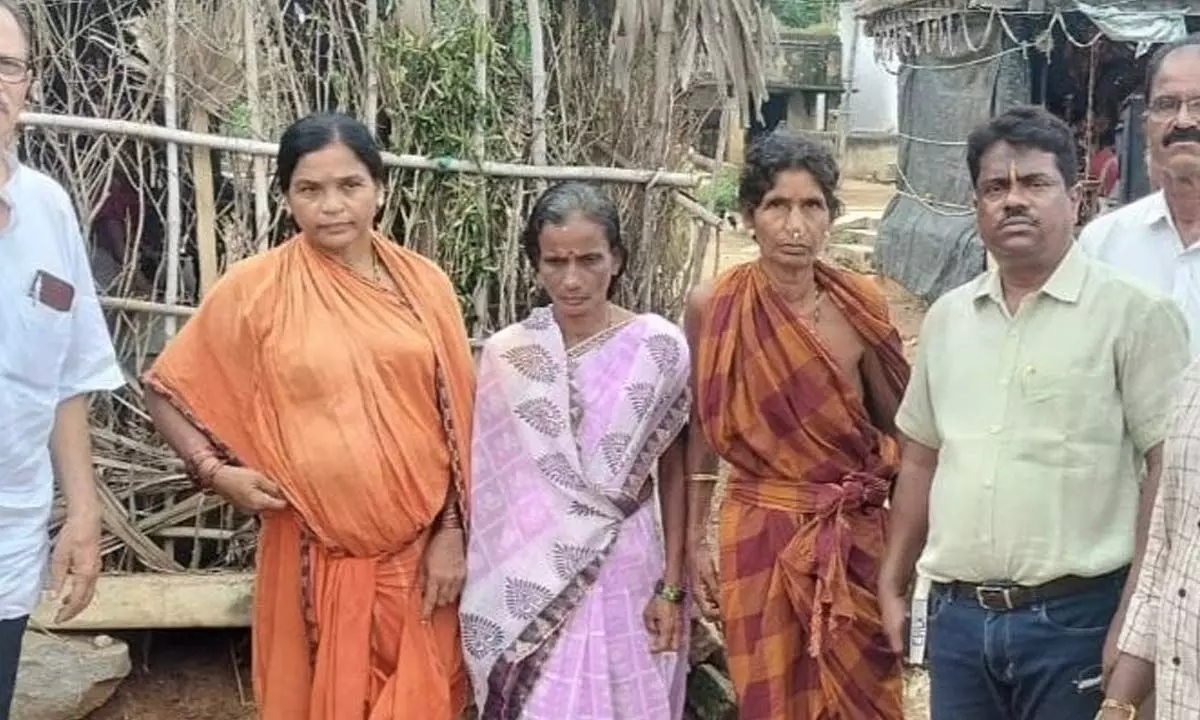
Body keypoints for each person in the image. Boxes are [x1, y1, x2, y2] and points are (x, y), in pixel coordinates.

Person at [143, 113, 475, 720]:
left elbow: (455, 416)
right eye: (309, 190)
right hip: (309, 556)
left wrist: (451, 531)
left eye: (350, 186)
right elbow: (165, 388)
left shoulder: (425, 285)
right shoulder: (256, 290)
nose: (332, 207)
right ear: (287, 197)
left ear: (379, 187)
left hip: (422, 556)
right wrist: (216, 474)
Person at [880, 105, 1190, 720]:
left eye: (1035, 183)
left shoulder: (1135, 315)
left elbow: (1168, 470)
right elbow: (920, 459)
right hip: (959, 621)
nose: (1013, 201)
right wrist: (894, 580)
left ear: (1075, 199)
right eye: (996, 188)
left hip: (1078, 620)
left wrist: (1135, 619)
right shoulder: (946, 319)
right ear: (976, 207)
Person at [686, 131, 910, 719]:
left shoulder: (862, 305)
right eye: (776, 206)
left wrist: (906, 557)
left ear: (831, 216)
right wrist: (691, 543)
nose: (795, 225)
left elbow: (901, 432)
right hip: (757, 535)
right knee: (773, 699)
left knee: (867, 697)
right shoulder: (714, 305)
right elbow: (701, 431)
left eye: (811, 206)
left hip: (852, 537)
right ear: (747, 217)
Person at [459, 182, 691, 719]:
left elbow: (676, 470)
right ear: (535, 266)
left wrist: (673, 587)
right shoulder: (509, 354)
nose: (571, 278)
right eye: (555, 261)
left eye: (589, 260)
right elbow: (492, 481)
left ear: (617, 260)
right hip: (532, 567)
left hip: (629, 564)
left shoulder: (657, 348)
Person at [0, 2, 125, 717]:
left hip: (10, 540)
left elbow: (68, 378)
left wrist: (82, 513)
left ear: (29, 83)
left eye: (6, 66)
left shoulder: (48, 208)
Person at [1081, 35, 1200, 358]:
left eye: (1199, 104)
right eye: (1167, 104)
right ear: (1146, 124)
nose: (1184, 120)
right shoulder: (1102, 244)